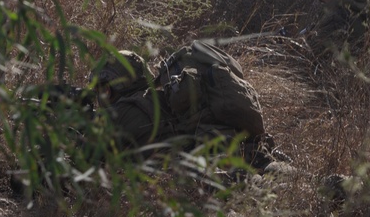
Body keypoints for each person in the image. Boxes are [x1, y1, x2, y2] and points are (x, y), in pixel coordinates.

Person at [93, 43, 268, 162]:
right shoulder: (160, 98)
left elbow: (85, 156)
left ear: (111, 88)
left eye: (102, 89)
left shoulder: (123, 112)